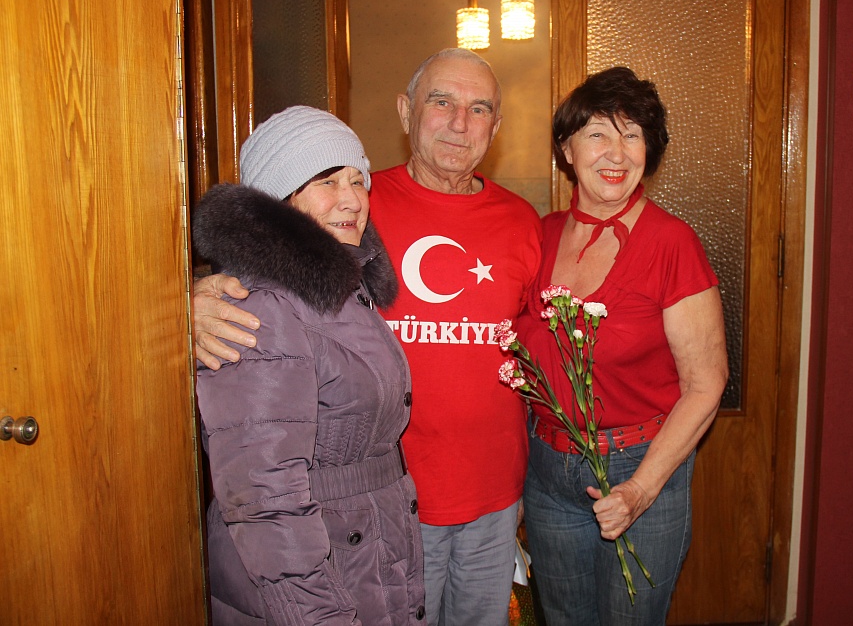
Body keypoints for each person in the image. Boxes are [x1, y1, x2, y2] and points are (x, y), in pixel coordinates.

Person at [193, 49, 543, 626]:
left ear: (497, 125)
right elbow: (262, 487)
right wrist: (190, 300)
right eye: (441, 101)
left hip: (480, 499)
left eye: (479, 108)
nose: (460, 123)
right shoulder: (357, 213)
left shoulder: (520, 221)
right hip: (374, 516)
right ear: (406, 112)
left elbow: (539, 350)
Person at [191, 106, 425, 625]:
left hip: (362, 559)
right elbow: (264, 499)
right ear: (281, 199)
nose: (352, 199)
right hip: (314, 586)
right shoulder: (261, 309)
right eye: (326, 180)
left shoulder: (344, 289)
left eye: (358, 180)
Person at [515, 66, 728, 625]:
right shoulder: (538, 236)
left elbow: (706, 384)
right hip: (547, 470)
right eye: (597, 134)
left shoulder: (672, 243)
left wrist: (638, 490)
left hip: (639, 467)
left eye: (632, 135)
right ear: (567, 148)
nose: (616, 152)